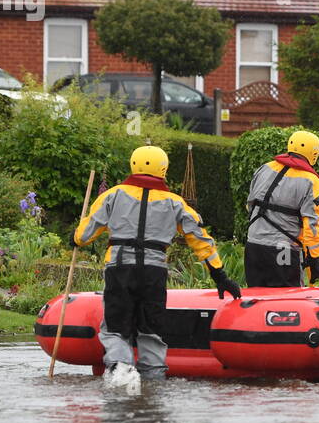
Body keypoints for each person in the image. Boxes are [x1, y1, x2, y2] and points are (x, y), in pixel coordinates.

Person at [75, 145, 241, 386]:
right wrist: (220, 275)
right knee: (150, 327)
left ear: (134, 164)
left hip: (120, 269)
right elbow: (200, 239)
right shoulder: (176, 203)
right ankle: (153, 380)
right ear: (163, 169)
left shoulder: (112, 195)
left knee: (115, 326)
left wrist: (76, 237)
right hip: (153, 272)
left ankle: (120, 369)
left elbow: (85, 235)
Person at [245, 130, 319, 287]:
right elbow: (311, 227)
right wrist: (314, 263)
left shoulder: (264, 168)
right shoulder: (311, 182)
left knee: (256, 299)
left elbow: (250, 204)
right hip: (283, 250)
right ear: (313, 153)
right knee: (288, 304)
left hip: (253, 246)